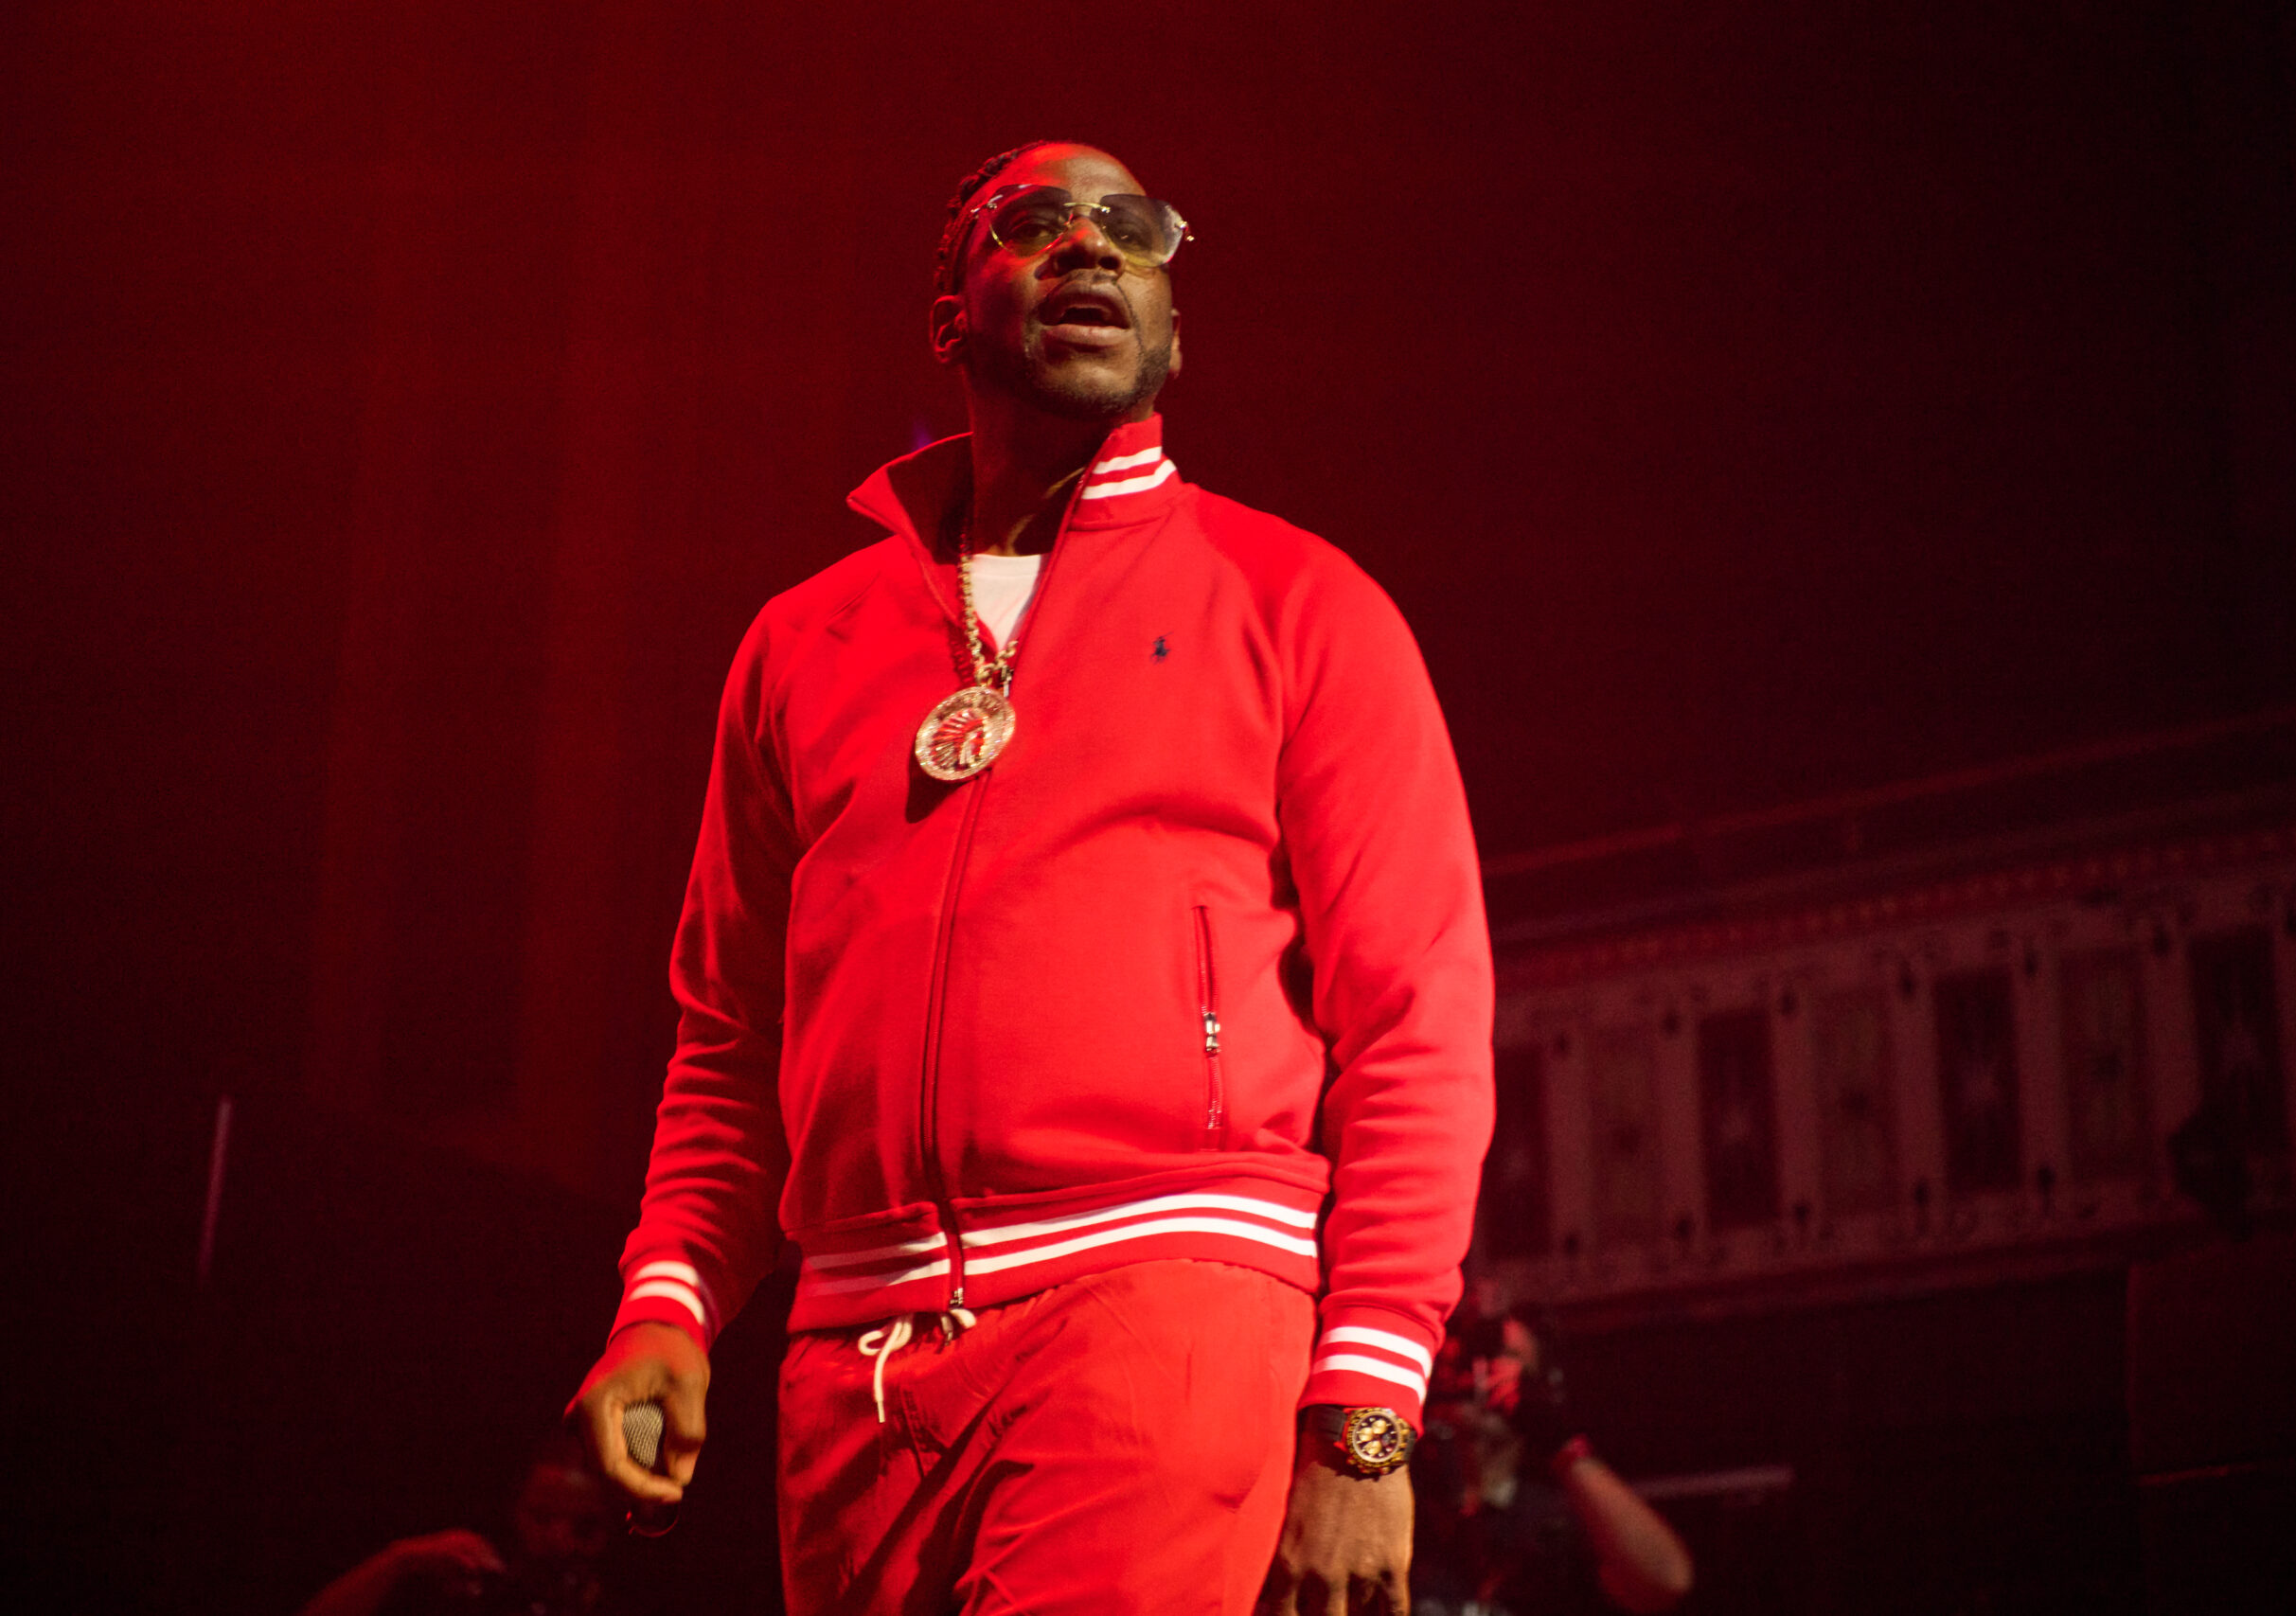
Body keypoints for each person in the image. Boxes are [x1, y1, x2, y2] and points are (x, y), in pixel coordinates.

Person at [565, 139, 1495, 1616]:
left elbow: (1418, 1026)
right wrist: (666, 1299)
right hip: (851, 1365)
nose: (1092, 246)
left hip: (1161, 1299)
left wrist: (1367, 1413)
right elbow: (733, 1040)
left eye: (1133, 228)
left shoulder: (1302, 604)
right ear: (950, 310)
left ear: (1174, 325)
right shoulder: (799, 645)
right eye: (1038, 222)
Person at [1412, 1301, 1693, 1616]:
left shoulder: (1562, 1519)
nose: (1479, 1369)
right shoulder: (1411, 1500)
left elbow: (1666, 1581)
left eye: (1499, 1353)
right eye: (1466, 1355)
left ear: (1538, 1381)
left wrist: (1558, 1440)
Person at [298, 1432, 620, 1616]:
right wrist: (402, 1559)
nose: (559, 1539)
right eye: (542, 1518)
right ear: (515, 1512)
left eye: (584, 1526)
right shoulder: (473, 1587)